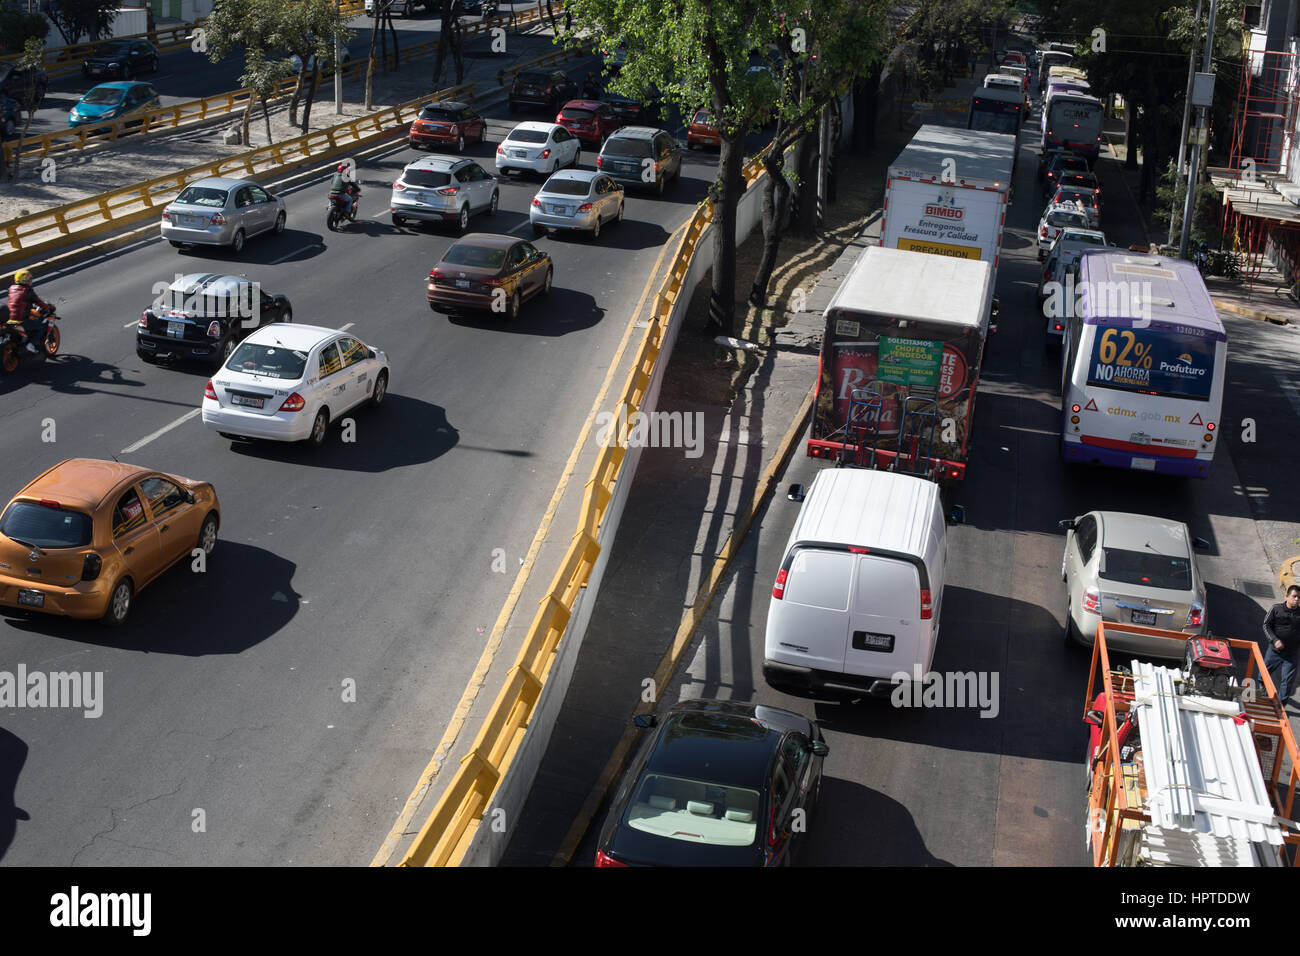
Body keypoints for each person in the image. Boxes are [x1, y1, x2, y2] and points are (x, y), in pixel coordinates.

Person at [1263, 584, 1300, 705]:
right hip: (1274, 652)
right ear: (1287, 596)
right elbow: (1266, 625)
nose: (1297, 599)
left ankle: (1280, 706)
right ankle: (1262, 693)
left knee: (1287, 682)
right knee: (1263, 674)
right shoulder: (1276, 609)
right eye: (1294, 596)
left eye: (1299, 597)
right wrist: (1274, 640)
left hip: (1292, 654)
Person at [7, 268, 48, 354]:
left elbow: (18, 301)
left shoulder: (11, 288)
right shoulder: (27, 290)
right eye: (29, 279)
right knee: (41, 327)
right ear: (25, 281)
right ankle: (31, 344)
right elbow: (38, 301)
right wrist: (48, 308)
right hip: (20, 319)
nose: (31, 281)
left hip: (9, 318)